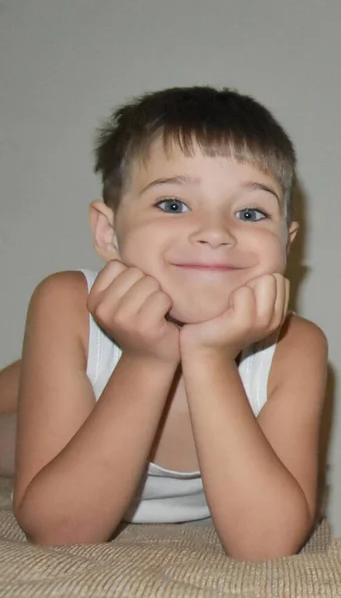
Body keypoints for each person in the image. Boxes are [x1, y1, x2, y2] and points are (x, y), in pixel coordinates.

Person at [0, 86, 327, 561]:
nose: (215, 232)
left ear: (286, 242)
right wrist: (147, 359)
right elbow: (58, 528)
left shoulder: (296, 347)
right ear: (108, 233)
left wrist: (209, 357)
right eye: (173, 204)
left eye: (251, 212)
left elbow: (266, 545)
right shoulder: (68, 303)